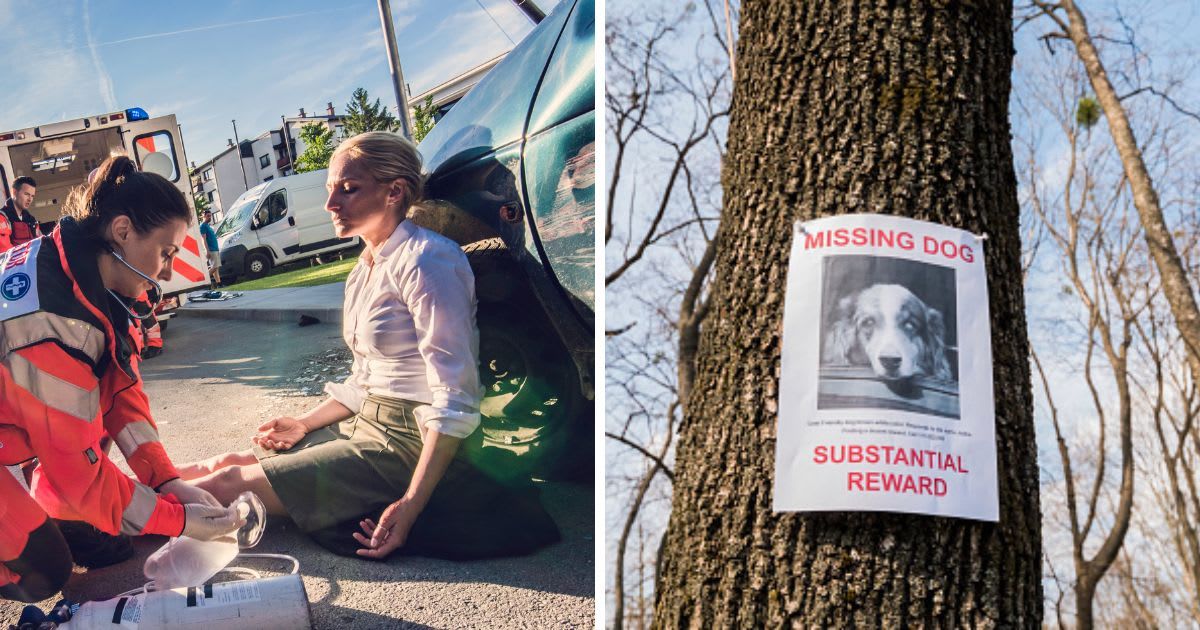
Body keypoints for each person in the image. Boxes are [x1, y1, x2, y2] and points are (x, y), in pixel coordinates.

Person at [178, 131, 559, 560]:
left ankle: (101, 520)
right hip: (365, 419)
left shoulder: (428, 260)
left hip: (407, 442)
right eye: (330, 190)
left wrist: (411, 505)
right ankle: (103, 501)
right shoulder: (367, 266)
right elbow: (366, 377)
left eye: (349, 189)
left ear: (395, 191)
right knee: (220, 463)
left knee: (227, 484)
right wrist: (306, 422)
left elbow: (456, 397)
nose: (330, 204)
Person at [0, 156, 244, 603]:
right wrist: (180, 521)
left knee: (112, 542)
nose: (168, 272)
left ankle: (52, 504)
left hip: (20, 433)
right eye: (166, 253)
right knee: (42, 574)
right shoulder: (49, 322)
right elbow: (83, 475)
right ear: (123, 231)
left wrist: (167, 482)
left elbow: (123, 397)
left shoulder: (88, 279)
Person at [0, 176, 40, 251]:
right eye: (26, 194)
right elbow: (5, 254)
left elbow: (40, 245)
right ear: (14, 192)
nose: (30, 199)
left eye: (32, 196)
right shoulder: (2, 218)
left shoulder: (32, 221)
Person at [199, 209, 221, 288]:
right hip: (211, 249)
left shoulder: (208, 226)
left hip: (215, 248)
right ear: (203, 216)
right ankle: (204, 281)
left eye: (210, 216)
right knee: (215, 267)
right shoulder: (203, 226)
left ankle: (219, 284)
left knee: (216, 268)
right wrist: (207, 251)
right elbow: (204, 240)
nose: (210, 217)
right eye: (208, 216)